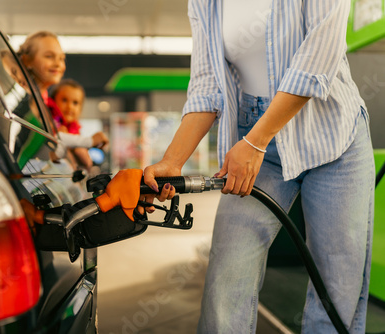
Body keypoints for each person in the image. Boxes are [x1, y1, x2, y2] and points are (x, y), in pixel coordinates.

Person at [143, 1, 375, 333]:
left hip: (332, 134)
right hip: (253, 140)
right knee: (228, 274)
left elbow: (318, 59)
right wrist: (172, 161)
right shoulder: (204, 3)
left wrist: (256, 141)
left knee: (337, 284)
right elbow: (207, 86)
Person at [17, 31, 108, 161]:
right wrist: (88, 141)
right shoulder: (26, 100)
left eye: (61, 58)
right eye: (49, 56)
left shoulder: (41, 101)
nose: (58, 64)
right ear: (27, 60)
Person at [50, 79, 97, 170]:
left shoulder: (75, 131)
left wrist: (73, 144)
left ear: (80, 109)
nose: (70, 106)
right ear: (53, 101)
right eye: (64, 100)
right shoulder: (51, 124)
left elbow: (87, 162)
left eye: (75, 103)